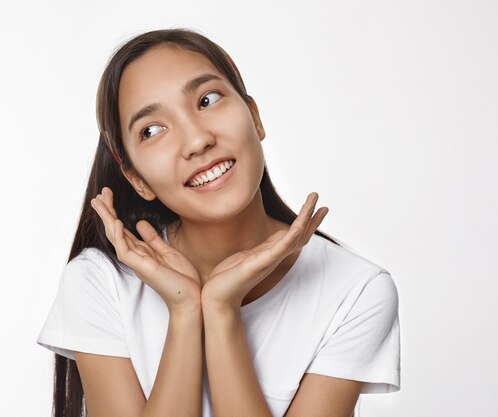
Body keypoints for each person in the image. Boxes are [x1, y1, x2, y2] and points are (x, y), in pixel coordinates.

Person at [36, 28, 401, 417]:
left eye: (207, 100)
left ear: (255, 116)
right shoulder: (102, 283)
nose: (197, 140)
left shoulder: (355, 291)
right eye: (152, 130)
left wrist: (222, 309)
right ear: (136, 177)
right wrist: (185, 312)